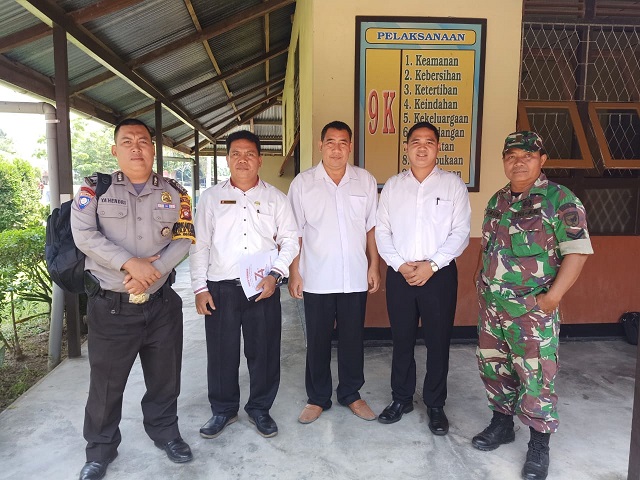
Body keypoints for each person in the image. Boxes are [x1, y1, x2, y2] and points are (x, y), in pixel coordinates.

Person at [71, 118, 196, 480]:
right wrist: (130, 264)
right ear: (115, 150)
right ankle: (100, 450)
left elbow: (185, 237)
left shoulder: (176, 192)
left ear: (153, 149)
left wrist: (152, 273)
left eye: (143, 140)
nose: (136, 147)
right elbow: (84, 234)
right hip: (111, 305)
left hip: (161, 304)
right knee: (106, 384)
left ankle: (165, 433)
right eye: (127, 142)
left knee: (165, 378)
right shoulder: (95, 189)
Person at [472, 131, 593, 480]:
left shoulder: (560, 200)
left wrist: (552, 298)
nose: (519, 162)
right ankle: (501, 424)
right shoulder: (497, 199)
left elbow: (577, 252)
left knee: (536, 377)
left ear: (542, 160)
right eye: (511, 156)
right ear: (504, 161)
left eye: (527, 156)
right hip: (493, 307)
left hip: (532, 311)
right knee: (495, 368)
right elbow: (488, 245)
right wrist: (479, 278)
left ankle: (539, 444)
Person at [189, 130, 299, 439]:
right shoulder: (211, 198)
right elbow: (199, 244)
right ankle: (223, 410)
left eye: (249, 154)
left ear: (260, 160)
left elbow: (290, 240)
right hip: (221, 287)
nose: (243, 159)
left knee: (264, 352)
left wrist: (275, 274)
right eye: (236, 154)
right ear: (227, 159)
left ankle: (260, 408)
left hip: (263, 288)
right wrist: (200, 288)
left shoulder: (276, 198)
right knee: (221, 353)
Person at [375, 121, 471, 435]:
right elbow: (382, 231)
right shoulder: (393, 186)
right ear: (406, 147)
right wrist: (399, 265)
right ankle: (401, 398)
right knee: (401, 339)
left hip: (439, 276)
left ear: (438, 148)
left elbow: (461, 232)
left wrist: (432, 265)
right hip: (400, 274)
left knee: (438, 341)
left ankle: (435, 404)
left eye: (429, 142)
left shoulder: (453, 185)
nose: (422, 147)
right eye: (415, 141)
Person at [287, 120, 380, 424]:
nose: (336, 149)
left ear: (350, 147)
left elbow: (371, 228)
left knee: (353, 339)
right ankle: (317, 398)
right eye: (330, 142)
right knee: (318, 341)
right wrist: (295, 272)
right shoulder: (303, 183)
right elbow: (294, 232)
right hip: (316, 276)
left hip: (354, 275)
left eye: (343, 143)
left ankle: (351, 394)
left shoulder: (365, 181)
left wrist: (374, 265)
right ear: (321, 145)